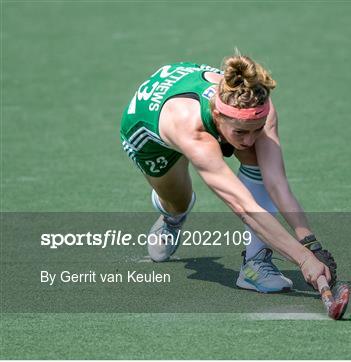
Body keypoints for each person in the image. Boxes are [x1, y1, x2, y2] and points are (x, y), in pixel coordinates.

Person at [120, 54, 337, 293]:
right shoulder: (191, 131)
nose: (251, 139)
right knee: (177, 202)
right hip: (147, 134)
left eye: (257, 129)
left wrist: (310, 243)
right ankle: (172, 218)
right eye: (241, 133)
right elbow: (243, 206)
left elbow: (276, 182)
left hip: (197, 94)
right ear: (217, 116)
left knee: (256, 158)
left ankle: (256, 265)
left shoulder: (259, 105)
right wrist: (303, 260)